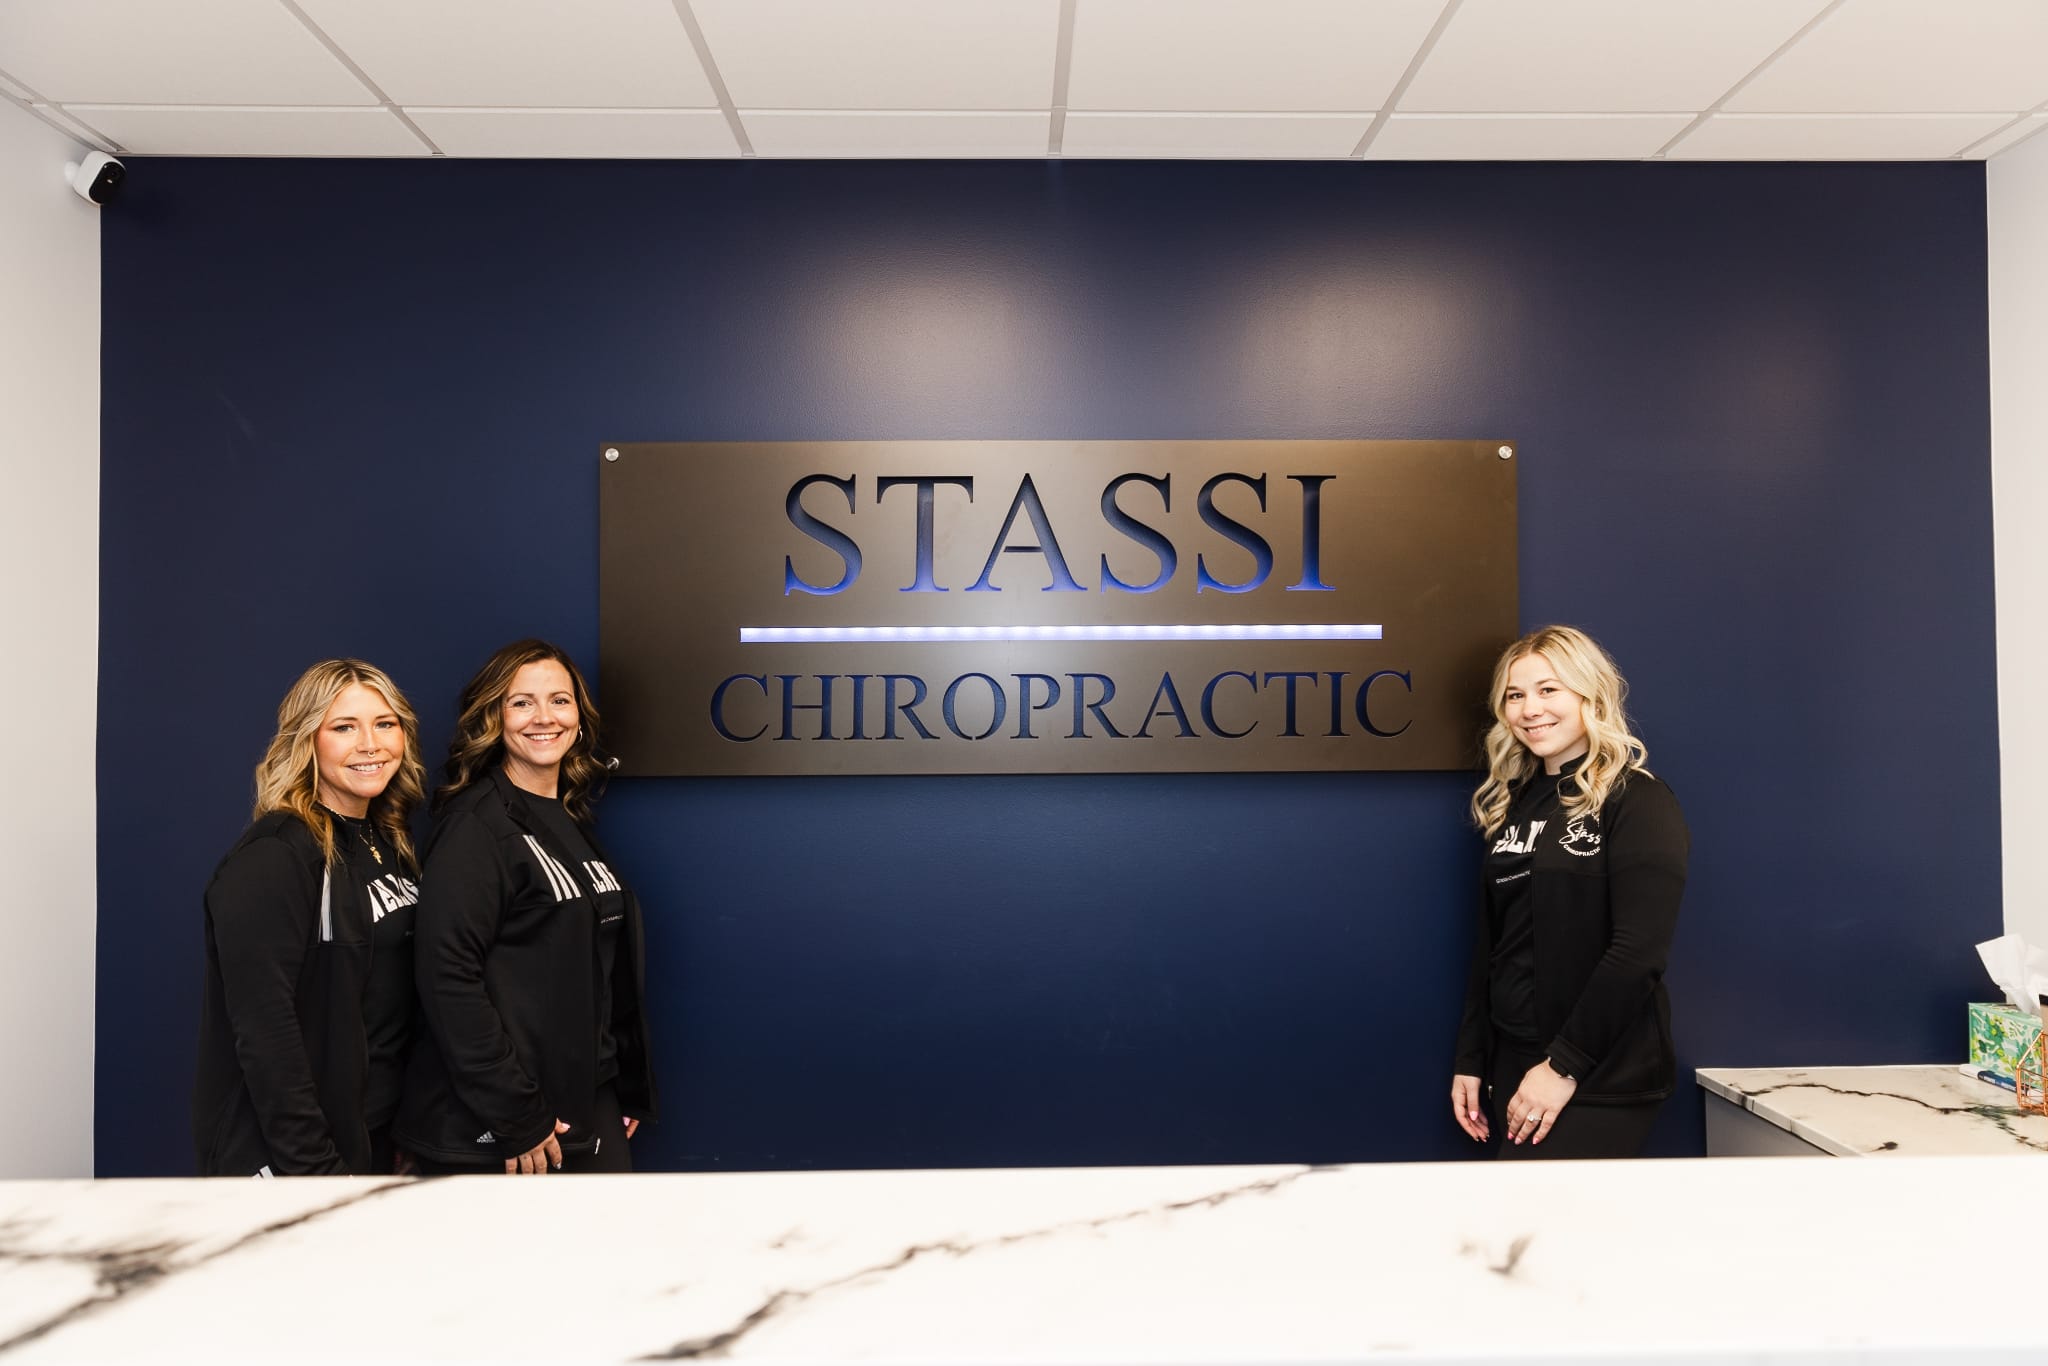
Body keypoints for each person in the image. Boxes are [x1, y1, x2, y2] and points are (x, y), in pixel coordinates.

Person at [395, 639, 657, 1174]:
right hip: (511, 1125)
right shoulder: (476, 827)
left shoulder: (567, 818)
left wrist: (617, 1085)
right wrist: (516, 1113)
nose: (544, 717)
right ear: (494, 717)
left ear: (580, 718)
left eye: (560, 701)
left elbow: (589, 968)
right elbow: (448, 980)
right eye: (522, 702)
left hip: (582, 1101)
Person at [1450, 626, 1689, 1159]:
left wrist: (1563, 1065)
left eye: (1548, 689)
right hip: (1515, 1063)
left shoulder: (1638, 799)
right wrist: (1473, 1055)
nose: (1529, 709)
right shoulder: (1514, 803)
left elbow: (1638, 952)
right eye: (1515, 695)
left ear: (1591, 694)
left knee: (1562, 1234)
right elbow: (1494, 945)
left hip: (1598, 1072)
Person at [193, 659, 425, 1176]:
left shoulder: (387, 842)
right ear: (308, 741)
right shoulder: (276, 854)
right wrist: (313, 1169)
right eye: (345, 727)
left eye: (384, 724)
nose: (370, 743)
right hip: (296, 1156)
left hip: (373, 1134)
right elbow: (264, 1028)